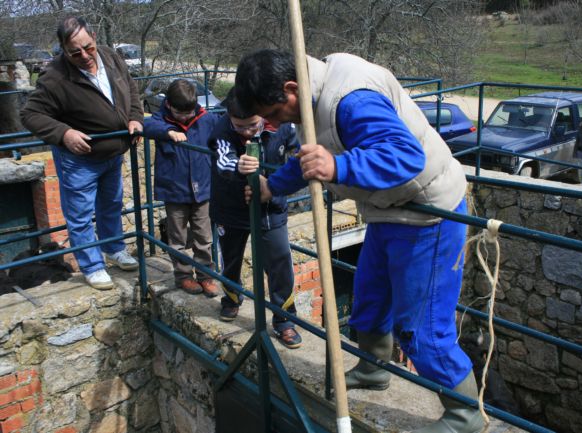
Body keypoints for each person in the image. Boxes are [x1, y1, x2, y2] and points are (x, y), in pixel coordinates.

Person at [234, 49, 483, 433]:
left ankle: (464, 414)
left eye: (272, 114)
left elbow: (405, 156)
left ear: (290, 88)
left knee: (422, 326)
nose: (270, 123)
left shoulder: (351, 100)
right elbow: (311, 158)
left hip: (428, 212)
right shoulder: (309, 97)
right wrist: (272, 187)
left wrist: (338, 167)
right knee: (368, 299)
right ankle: (374, 369)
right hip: (387, 208)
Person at [20, 16, 143, 290]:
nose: (85, 56)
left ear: (95, 37)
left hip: (114, 151)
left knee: (111, 204)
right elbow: (30, 114)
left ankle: (114, 248)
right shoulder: (54, 77)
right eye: (75, 52)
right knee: (80, 215)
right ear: (63, 49)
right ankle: (92, 265)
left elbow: (131, 90)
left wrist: (136, 118)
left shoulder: (110, 57)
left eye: (88, 47)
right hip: (79, 160)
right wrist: (64, 133)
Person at [210, 87, 302, 349]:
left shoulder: (283, 127)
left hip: (270, 207)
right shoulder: (222, 129)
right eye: (239, 126)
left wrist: (275, 185)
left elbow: (296, 156)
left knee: (280, 263)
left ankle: (284, 320)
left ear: (261, 115)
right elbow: (222, 161)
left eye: (251, 125)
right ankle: (230, 298)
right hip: (231, 207)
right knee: (231, 258)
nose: (246, 132)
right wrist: (239, 167)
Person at [143, 79, 220, 296]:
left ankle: (205, 275)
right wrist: (168, 131)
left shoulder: (207, 119)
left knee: (204, 238)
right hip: (174, 190)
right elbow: (145, 125)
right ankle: (183, 276)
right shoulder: (161, 118)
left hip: (202, 189)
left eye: (188, 112)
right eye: (179, 113)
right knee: (177, 238)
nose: (184, 118)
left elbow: (224, 131)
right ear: (168, 105)